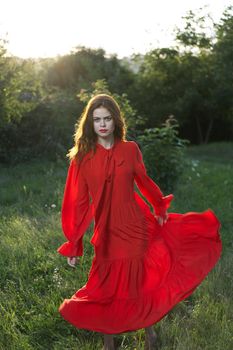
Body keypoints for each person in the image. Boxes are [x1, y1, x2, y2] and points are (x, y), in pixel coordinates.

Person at [57, 94, 222, 350]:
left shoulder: (130, 149)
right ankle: (108, 342)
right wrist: (74, 241)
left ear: (115, 120)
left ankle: (150, 334)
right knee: (105, 286)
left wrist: (158, 204)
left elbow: (143, 180)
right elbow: (76, 202)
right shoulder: (82, 157)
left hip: (135, 224)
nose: (102, 124)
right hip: (107, 231)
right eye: (97, 119)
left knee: (139, 280)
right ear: (89, 123)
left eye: (107, 118)